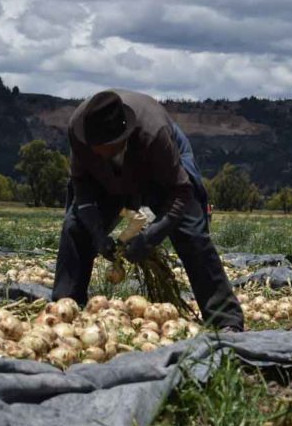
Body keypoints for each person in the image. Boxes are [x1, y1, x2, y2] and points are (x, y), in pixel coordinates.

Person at [53, 89, 244, 331]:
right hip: (105, 179)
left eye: (106, 147)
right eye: (95, 148)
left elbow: (180, 191)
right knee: (75, 227)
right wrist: (97, 235)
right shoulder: (79, 132)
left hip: (161, 169)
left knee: (191, 233)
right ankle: (64, 310)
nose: (99, 152)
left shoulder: (153, 134)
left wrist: (152, 236)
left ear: (122, 136)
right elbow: (82, 190)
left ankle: (225, 320)